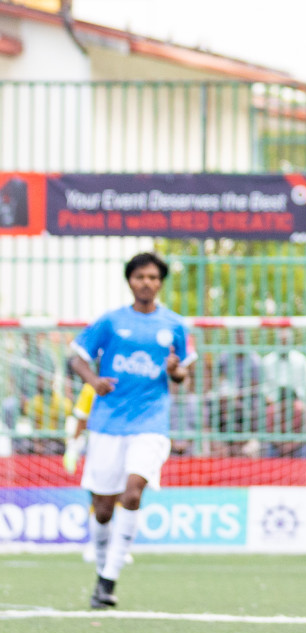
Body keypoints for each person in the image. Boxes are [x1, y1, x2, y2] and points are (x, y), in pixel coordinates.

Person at [67, 252, 193, 609]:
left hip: (151, 423)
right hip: (108, 422)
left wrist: (174, 370)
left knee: (133, 494)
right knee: (103, 508)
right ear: (130, 281)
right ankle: (102, 565)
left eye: (153, 277)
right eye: (140, 277)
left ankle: (108, 581)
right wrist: (94, 380)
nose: (147, 283)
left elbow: (184, 374)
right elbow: (76, 355)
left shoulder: (175, 324)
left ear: (160, 282)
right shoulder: (110, 322)